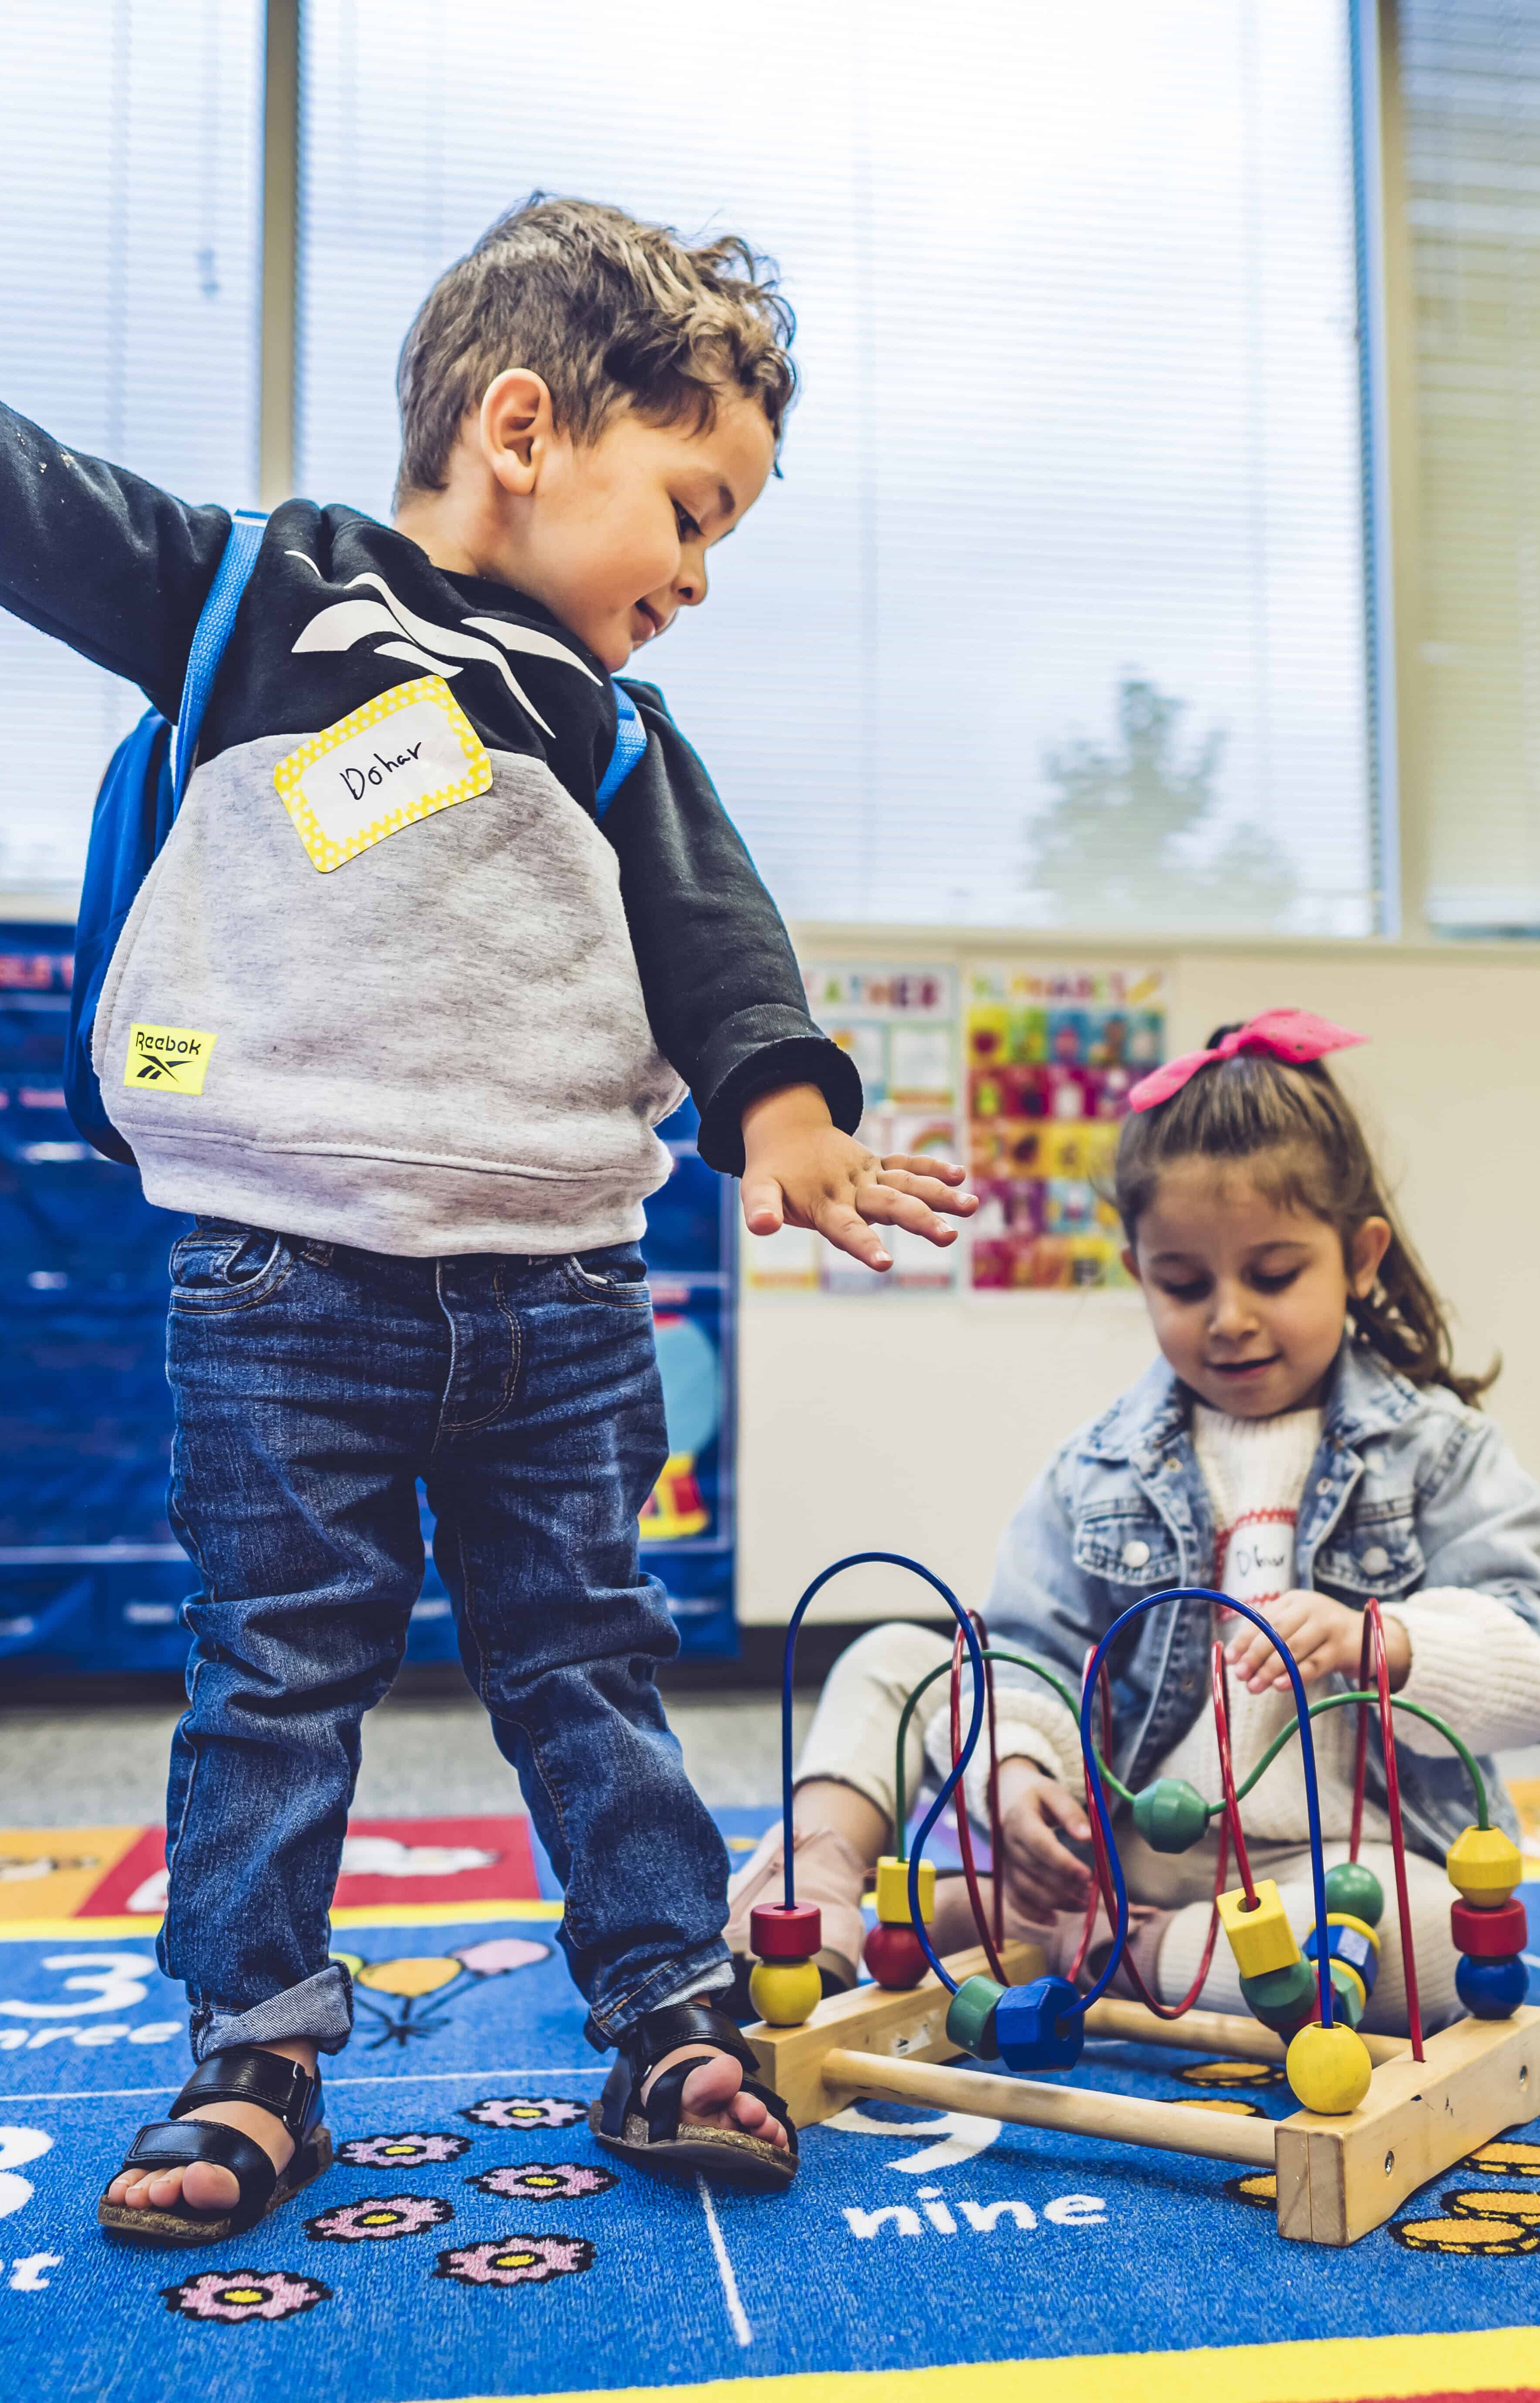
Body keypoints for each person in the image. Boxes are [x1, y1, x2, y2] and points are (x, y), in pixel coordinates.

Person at [0, 195, 977, 2238]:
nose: (702, 575)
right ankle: (253, 2052)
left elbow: (717, 940)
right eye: (692, 509)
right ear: (523, 427)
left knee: (589, 1662)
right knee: (274, 1675)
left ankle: (669, 2009)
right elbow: (45, 506)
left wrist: (786, 1114)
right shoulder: (254, 596)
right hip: (287, 1282)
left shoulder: (612, 723)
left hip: (559, 1288)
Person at [728, 1009, 1540, 2035]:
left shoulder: (1441, 1451)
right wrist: (1016, 1775)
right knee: (893, 1659)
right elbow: (1026, 1655)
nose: (1229, 1316)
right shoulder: (1101, 1465)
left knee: (1454, 1942)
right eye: (1186, 1284)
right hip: (1118, 1841)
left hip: (1335, 1866)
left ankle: (1117, 1950)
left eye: (1274, 1276)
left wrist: (1393, 1642)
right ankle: (818, 1888)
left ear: (1360, 1258)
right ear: (1141, 1271)